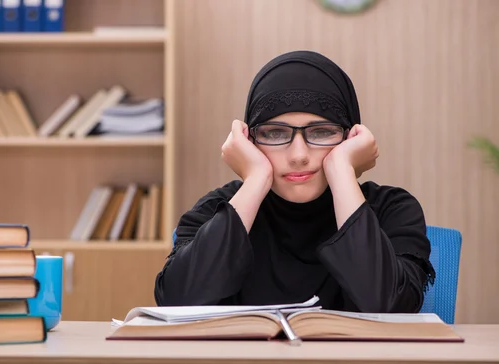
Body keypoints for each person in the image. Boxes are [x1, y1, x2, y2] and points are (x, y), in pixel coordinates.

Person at [154, 50, 435, 313]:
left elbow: (392, 308)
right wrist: (255, 180)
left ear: (350, 138)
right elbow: (177, 302)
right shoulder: (218, 210)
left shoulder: (392, 209)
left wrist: (341, 171)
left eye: (322, 131)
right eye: (275, 133)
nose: (299, 155)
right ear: (250, 142)